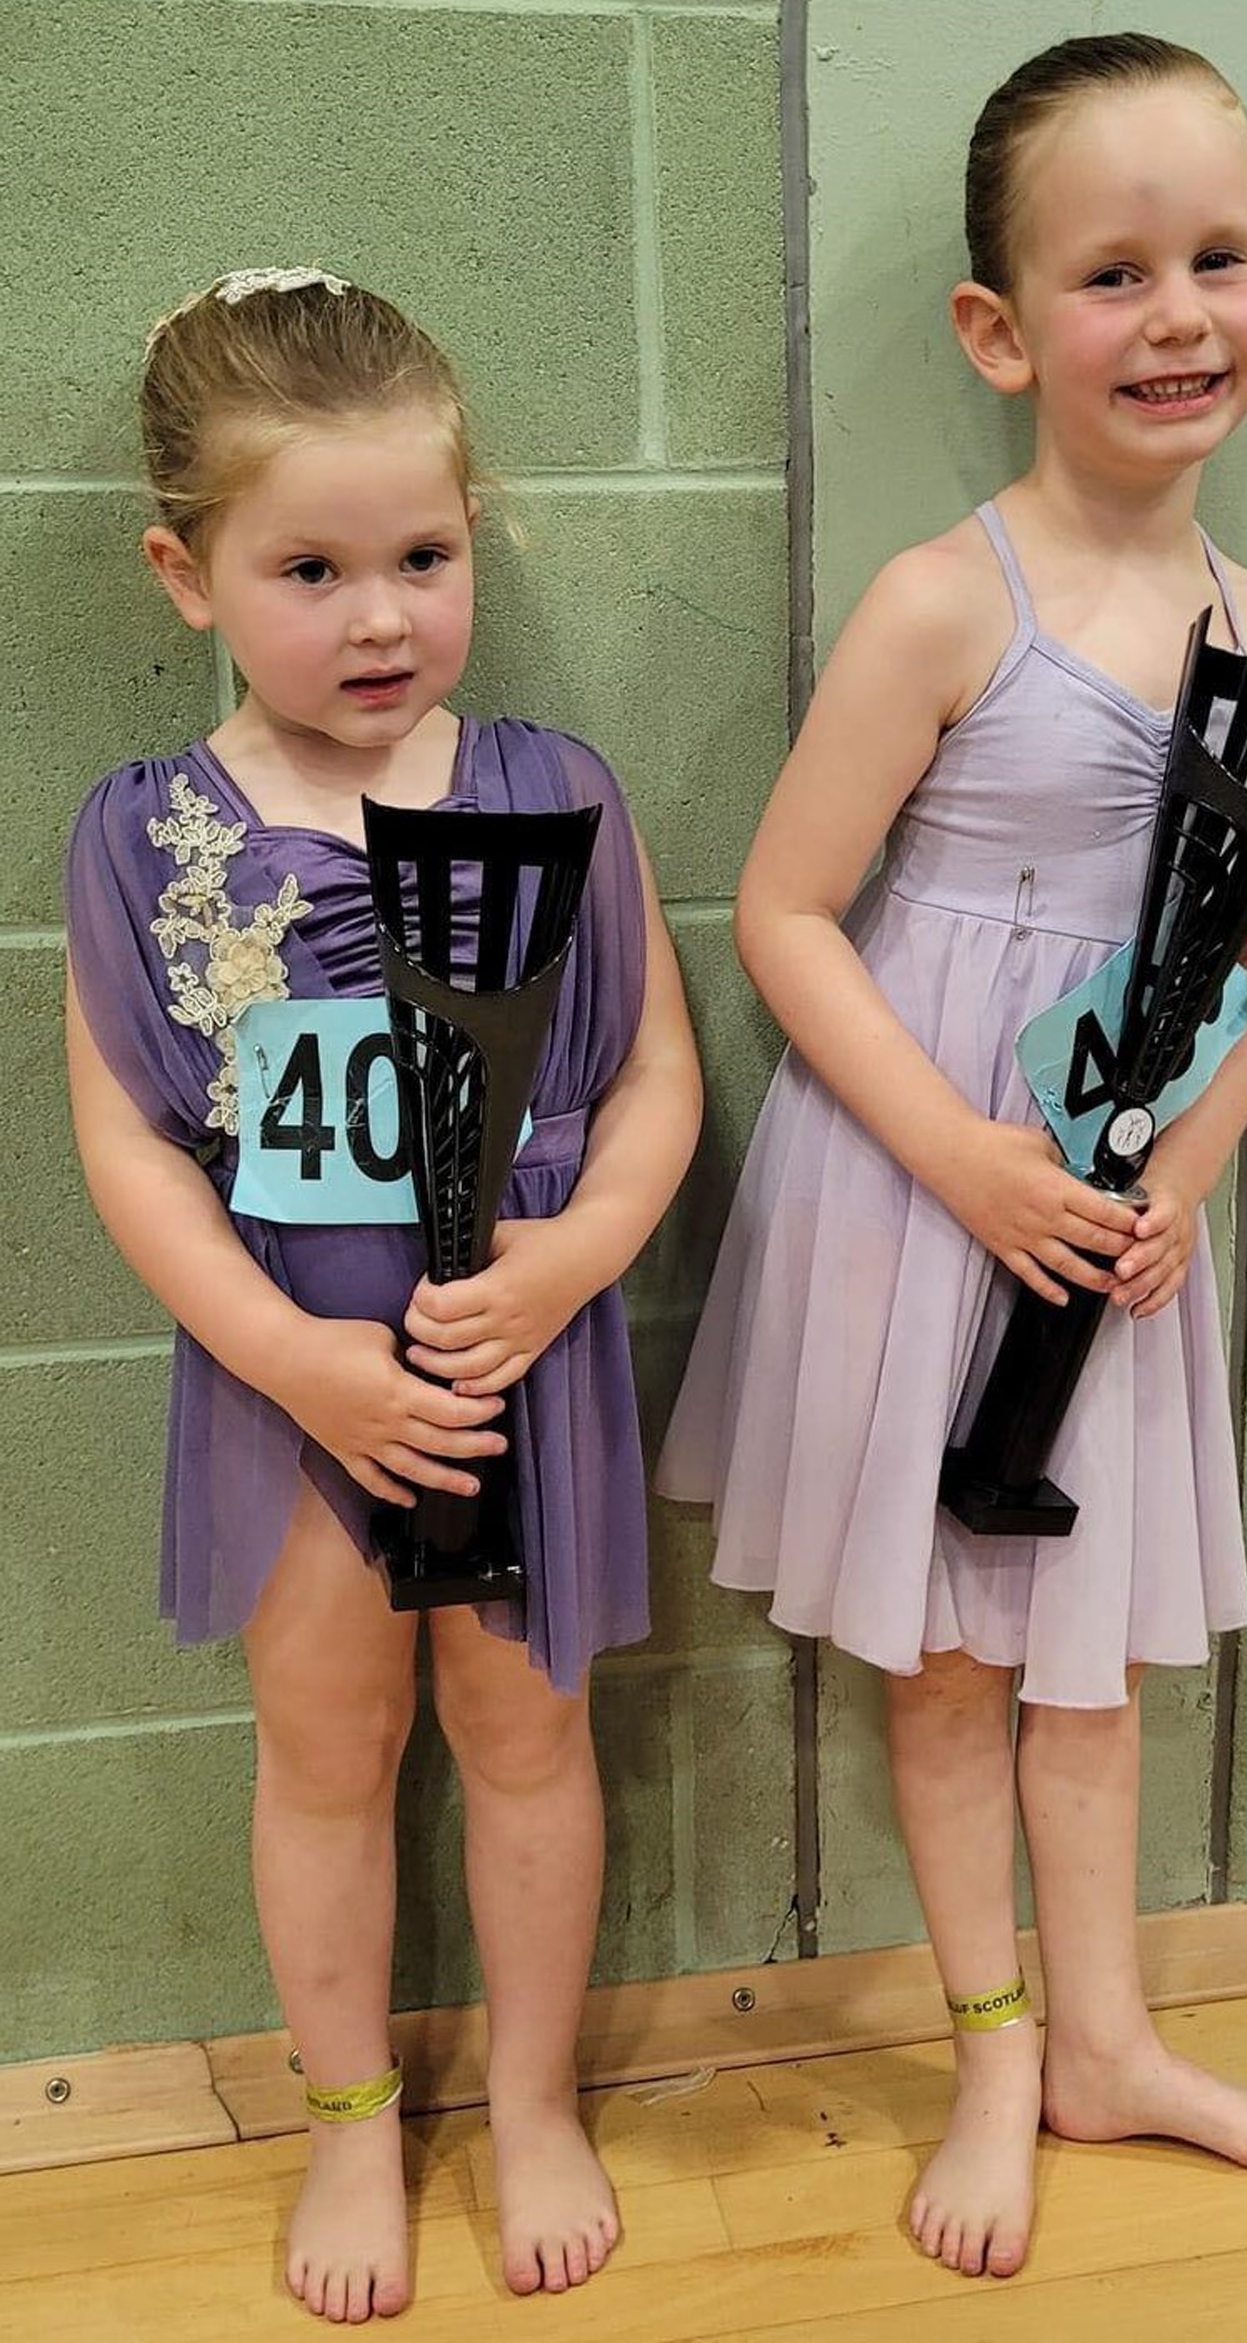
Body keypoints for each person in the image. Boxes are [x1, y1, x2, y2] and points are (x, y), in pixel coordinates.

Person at [659, 33, 1247, 2281]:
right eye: (1112, 271)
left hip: (1118, 1226)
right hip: (927, 1194)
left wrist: (1182, 1181)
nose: (1177, 314)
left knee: (1094, 1661)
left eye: (1218, 257)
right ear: (999, 328)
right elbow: (780, 910)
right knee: (949, 1659)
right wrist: (969, 1163)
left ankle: (1116, 2036)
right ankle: (990, 2044)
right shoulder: (950, 603)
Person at [66, 268, 701, 2319]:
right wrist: (280, 1351)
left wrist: (581, 1254)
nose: (380, 617)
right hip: (298, 1388)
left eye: (422, 555)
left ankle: (529, 2094)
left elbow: (658, 1077)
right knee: (323, 1748)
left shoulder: (557, 791)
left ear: (474, 536)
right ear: (187, 573)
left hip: (516, 1354)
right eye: (310, 565)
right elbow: (127, 1142)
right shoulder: (143, 841)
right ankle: (352, 2111)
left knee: (527, 1734)